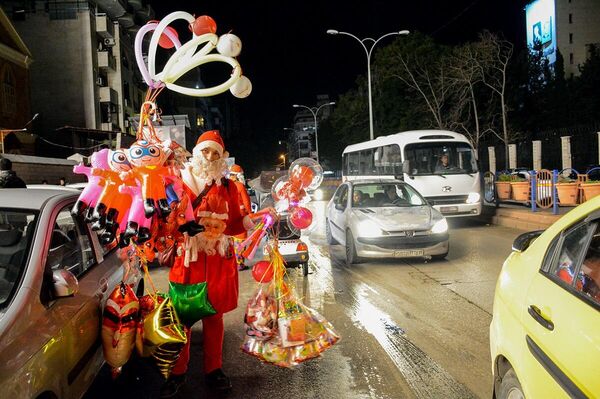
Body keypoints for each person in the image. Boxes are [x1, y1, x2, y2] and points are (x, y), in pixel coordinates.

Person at [162, 130, 264, 397]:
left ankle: (214, 369)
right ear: (196, 152)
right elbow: (164, 222)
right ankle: (177, 373)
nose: (209, 156)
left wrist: (261, 218)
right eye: (205, 151)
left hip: (217, 259)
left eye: (215, 152)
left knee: (214, 317)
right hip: (187, 259)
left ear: (222, 157)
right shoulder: (176, 182)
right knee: (182, 317)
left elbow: (236, 223)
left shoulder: (229, 186)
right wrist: (182, 228)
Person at [229, 164, 252, 271]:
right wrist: (250, 214)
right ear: (238, 175)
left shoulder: (226, 185)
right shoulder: (240, 186)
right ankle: (239, 263)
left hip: (228, 217)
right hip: (241, 217)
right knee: (241, 240)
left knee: (231, 240)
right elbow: (247, 202)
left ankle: (232, 263)